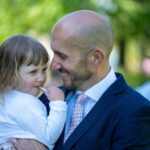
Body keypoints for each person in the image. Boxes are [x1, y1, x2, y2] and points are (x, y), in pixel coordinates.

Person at [13, 10, 150, 150]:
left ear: (95, 58)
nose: (53, 65)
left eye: (62, 56)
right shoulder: (49, 99)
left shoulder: (134, 112)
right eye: (54, 53)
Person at [0, 34, 67, 150]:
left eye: (44, 70)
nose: (41, 78)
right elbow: (49, 137)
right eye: (33, 72)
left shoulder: (5, 97)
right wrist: (58, 103)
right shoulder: (25, 103)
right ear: (10, 73)